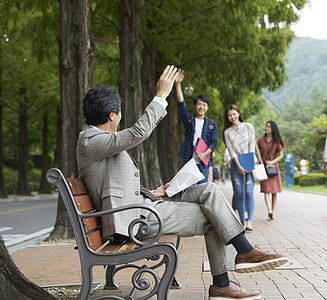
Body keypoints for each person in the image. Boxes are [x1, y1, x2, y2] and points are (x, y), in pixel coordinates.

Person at [76, 65, 288, 299]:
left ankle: (241, 257)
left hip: (142, 206)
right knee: (213, 216)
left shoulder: (96, 141)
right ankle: (228, 275)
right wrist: (160, 96)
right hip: (136, 220)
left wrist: (152, 193)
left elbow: (114, 184)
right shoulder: (91, 140)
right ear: (112, 115)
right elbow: (138, 133)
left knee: (209, 191)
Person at [175, 69, 218, 184]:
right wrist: (178, 84)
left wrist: (205, 154)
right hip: (189, 158)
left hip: (204, 161)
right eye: (199, 104)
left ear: (207, 107)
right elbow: (181, 105)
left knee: (202, 189)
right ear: (195, 106)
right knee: (187, 188)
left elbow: (214, 142)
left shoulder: (212, 124)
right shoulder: (189, 120)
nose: (201, 107)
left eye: (204, 105)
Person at [223, 104, 256, 232]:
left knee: (248, 191)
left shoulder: (249, 127)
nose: (232, 117)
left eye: (234, 113)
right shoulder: (227, 132)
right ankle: (242, 222)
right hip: (236, 165)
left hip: (249, 162)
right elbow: (231, 151)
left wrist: (248, 164)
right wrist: (239, 166)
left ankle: (250, 221)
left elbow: (252, 145)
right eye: (229, 115)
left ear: (238, 113)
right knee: (239, 193)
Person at [257, 121, 284, 220]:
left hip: (273, 168)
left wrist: (272, 162)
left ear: (273, 128)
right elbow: (259, 154)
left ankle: (273, 210)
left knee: (274, 191)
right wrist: (257, 164)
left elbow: (281, 155)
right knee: (266, 190)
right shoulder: (261, 140)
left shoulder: (277, 141)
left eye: (269, 127)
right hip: (264, 168)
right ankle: (269, 210)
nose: (266, 128)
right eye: (266, 126)